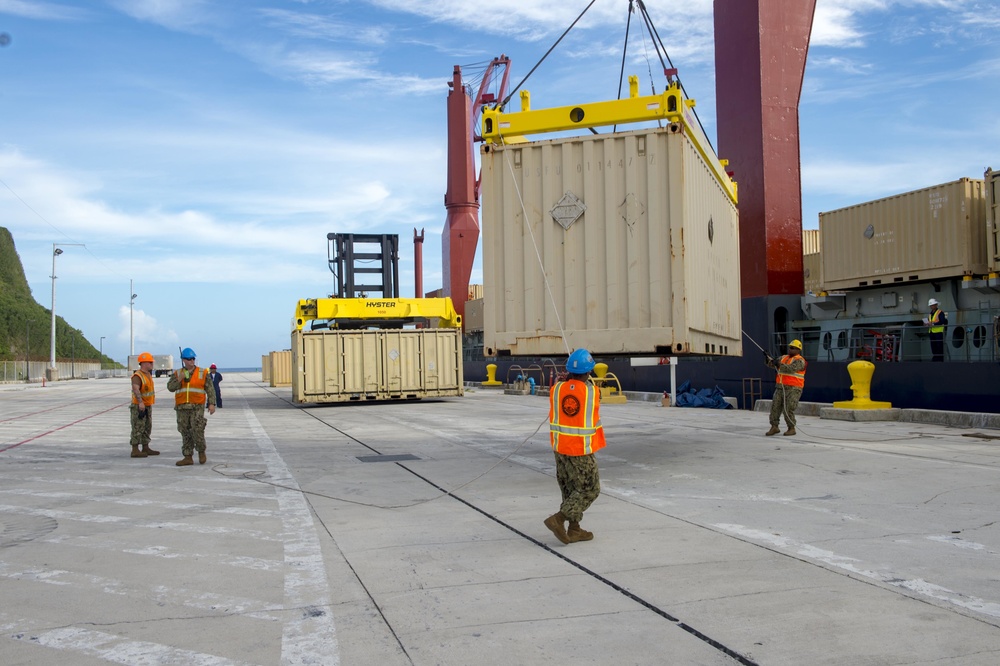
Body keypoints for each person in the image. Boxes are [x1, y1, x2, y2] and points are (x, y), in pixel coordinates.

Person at [544, 348, 606, 545]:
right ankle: (559, 519)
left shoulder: (557, 389)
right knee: (590, 489)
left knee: (570, 490)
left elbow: (567, 388)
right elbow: (589, 390)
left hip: (560, 450)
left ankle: (574, 529)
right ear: (588, 372)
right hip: (580, 451)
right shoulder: (593, 392)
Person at [167, 347, 216, 466]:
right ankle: (187, 456)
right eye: (188, 359)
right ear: (183, 360)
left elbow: (210, 389)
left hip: (196, 407)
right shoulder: (178, 373)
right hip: (182, 407)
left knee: (197, 429)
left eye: (193, 359)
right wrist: (180, 378)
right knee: (185, 431)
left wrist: (211, 403)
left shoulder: (203, 372)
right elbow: (170, 388)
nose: (191, 361)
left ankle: (201, 451)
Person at [764, 339, 807, 437]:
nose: (790, 350)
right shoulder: (783, 357)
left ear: (798, 350)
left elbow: (791, 369)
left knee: (788, 408)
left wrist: (778, 364)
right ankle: (774, 426)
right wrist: (768, 359)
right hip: (780, 387)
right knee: (775, 407)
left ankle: (791, 428)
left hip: (794, 388)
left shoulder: (800, 361)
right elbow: (772, 365)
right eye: (790, 348)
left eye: (792, 348)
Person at [129, 352, 159, 458]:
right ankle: (135, 449)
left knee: (147, 426)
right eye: (150, 362)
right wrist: (140, 402)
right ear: (144, 363)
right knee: (138, 427)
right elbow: (135, 389)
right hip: (139, 406)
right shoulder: (138, 375)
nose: (152, 364)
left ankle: (146, 447)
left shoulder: (148, 374)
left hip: (147, 405)